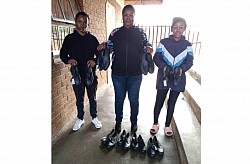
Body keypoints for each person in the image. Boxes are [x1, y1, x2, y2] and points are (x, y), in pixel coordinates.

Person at [97, 5, 153, 134]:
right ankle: (118, 122)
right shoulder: (115, 33)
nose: (128, 18)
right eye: (125, 15)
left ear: (134, 16)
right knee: (119, 99)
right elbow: (109, 46)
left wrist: (149, 47)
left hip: (135, 74)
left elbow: (147, 44)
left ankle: (134, 122)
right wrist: (103, 45)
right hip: (118, 74)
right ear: (122, 17)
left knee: (134, 99)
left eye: (131, 15)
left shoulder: (140, 32)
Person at [150, 17, 194, 136]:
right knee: (159, 100)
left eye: (181, 27)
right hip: (164, 76)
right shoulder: (164, 43)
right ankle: (155, 123)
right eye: (175, 27)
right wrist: (164, 66)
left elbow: (190, 61)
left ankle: (167, 125)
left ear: (184, 28)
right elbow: (156, 58)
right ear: (171, 28)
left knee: (172, 102)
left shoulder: (187, 45)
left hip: (177, 79)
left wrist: (181, 68)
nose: (178, 30)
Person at [60, 11, 102, 131]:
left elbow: (98, 55)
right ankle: (80, 118)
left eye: (85, 22)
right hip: (77, 75)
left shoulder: (92, 39)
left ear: (88, 23)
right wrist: (69, 60)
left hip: (90, 75)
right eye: (80, 21)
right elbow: (63, 54)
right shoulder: (69, 39)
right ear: (75, 23)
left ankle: (94, 117)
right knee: (79, 99)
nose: (82, 24)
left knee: (92, 98)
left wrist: (95, 60)